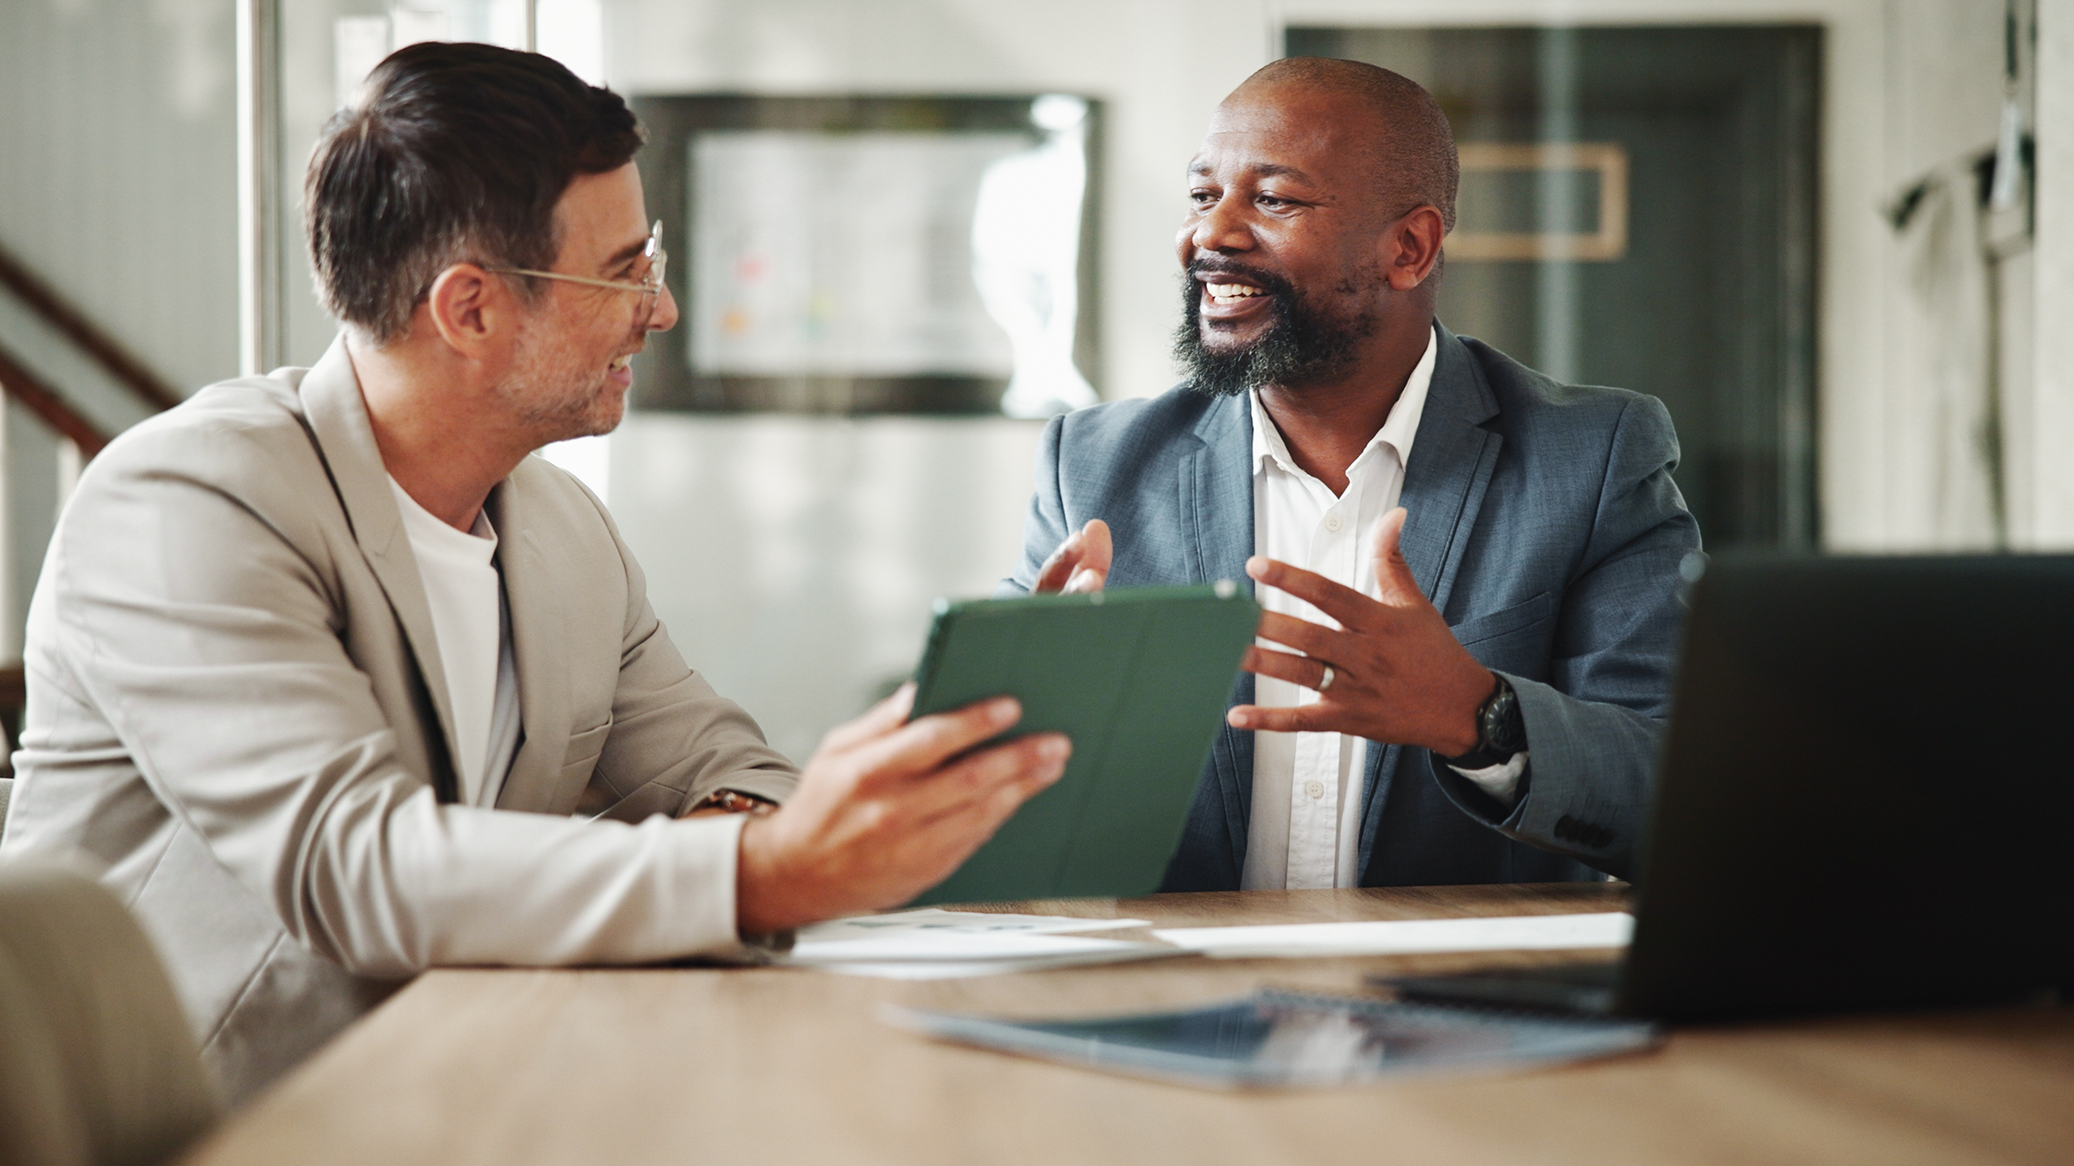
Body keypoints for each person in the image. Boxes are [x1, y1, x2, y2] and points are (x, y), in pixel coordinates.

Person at [0, 43, 1068, 1102]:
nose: (662, 310)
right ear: (469, 309)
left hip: (457, 1085)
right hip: (204, 1121)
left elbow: (728, 764)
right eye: (623, 273)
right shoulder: (188, 499)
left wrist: (769, 823)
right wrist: (757, 868)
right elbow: (354, 863)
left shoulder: (561, 528)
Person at [1006, 57, 1698, 892]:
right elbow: (972, 800)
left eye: (1272, 199)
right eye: (1202, 195)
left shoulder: (1591, 457)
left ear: (1409, 248)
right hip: (1175, 1000)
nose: (1212, 234)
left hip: (1464, 1004)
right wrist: (1014, 729)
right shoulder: (1092, 468)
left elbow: (1678, 790)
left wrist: (1476, 716)